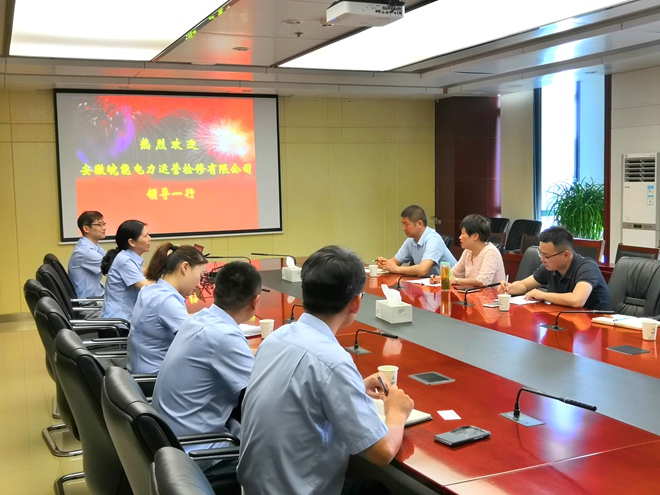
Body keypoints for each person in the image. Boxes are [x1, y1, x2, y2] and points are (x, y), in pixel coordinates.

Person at [238, 246, 414, 495]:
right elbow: (382, 452)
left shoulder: (276, 338)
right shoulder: (333, 362)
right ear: (356, 303)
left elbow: (300, 392)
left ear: (303, 292)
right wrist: (397, 413)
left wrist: (354, 387)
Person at [152, 261, 261, 446]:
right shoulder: (225, 337)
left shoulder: (198, 319)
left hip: (167, 435)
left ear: (215, 291)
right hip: (195, 446)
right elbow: (262, 390)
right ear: (255, 301)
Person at [127, 243, 207, 374]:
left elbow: (183, 322)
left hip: (141, 370)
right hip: (155, 377)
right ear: (185, 267)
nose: (199, 284)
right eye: (200, 276)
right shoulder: (166, 300)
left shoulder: (152, 289)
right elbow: (199, 342)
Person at [498, 226, 610, 310]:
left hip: (594, 323)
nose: (542, 259)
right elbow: (525, 285)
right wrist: (510, 288)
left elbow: (577, 300)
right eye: (540, 254)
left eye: (546, 256)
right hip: (565, 318)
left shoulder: (587, 267)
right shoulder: (550, 266)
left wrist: (543, 295)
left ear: (566, 255)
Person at [378, 205, 456, 277]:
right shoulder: (410, 240)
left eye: (406, 224)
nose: (403, 228)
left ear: (419, 224)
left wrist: (396, 269)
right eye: (403, 224)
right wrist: (385, 263)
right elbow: (395, 261)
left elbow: (423, 270)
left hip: (450, 284)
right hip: (430, 283)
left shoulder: (433, 239)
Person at [430, 214, 505, 287]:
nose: (460, 237)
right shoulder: (468, 251)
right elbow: (455, 273)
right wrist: (439, 278)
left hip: (492, 294)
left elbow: (482, 281)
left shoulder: (491, 252)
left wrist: (456, 280)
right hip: (472, 293)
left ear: (475, 236)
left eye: (463, 233)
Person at [101, 220, 152, 320]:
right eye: (146, 236)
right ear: (132, 242)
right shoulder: (125, 261)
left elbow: (145, 273)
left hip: (124, 319)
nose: (150, 239)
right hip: (119, 323)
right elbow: (148, 289)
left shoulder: (127, 257)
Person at [68, 211, 107, 298]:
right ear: (86, 229)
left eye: (104, 224)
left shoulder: (93, 246)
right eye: (99, 224)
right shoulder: (85, 251)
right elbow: (115, 266)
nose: (104, 228)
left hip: (97, 297)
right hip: (91, 303)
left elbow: (111, 258)